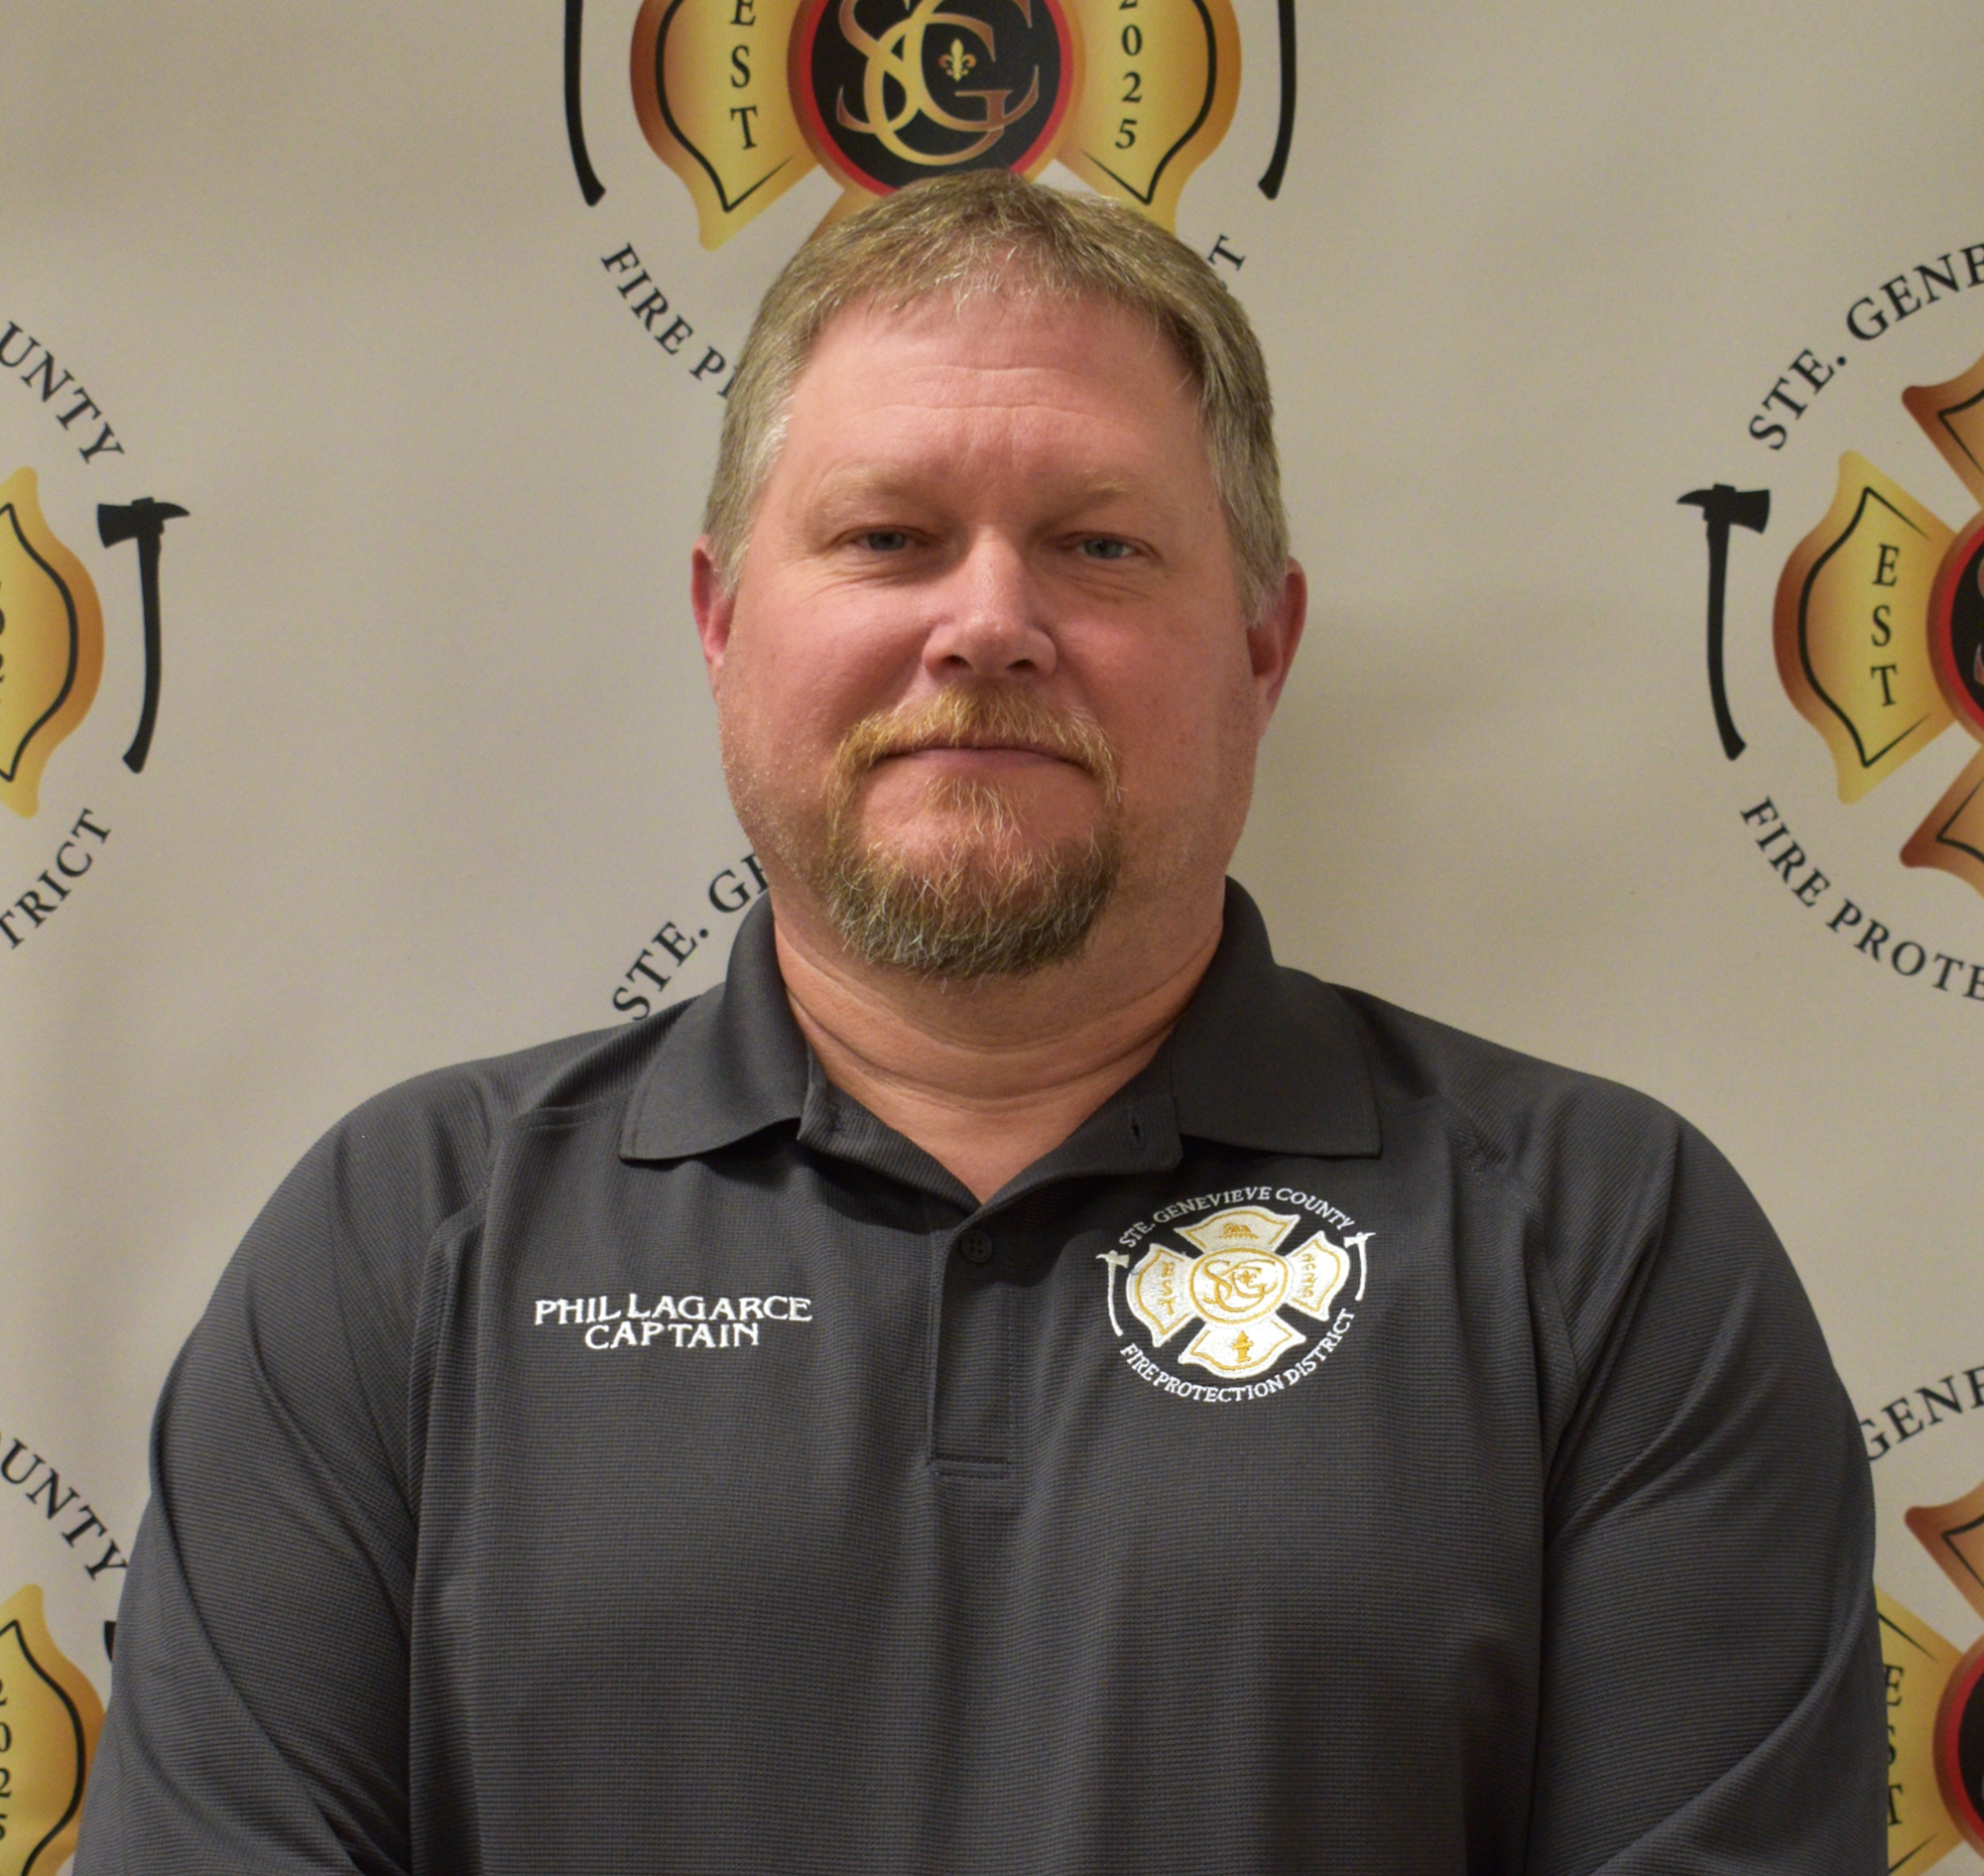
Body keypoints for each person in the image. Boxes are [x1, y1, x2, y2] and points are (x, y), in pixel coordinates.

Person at [77, 172, 1884, 1874]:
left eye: (1099, 544)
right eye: (888, 536)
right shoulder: (399, 1249)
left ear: (1265, 646)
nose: (990, 623)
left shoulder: (1609, 1251)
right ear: (721, 622)